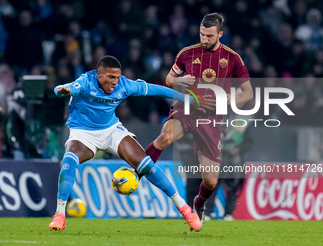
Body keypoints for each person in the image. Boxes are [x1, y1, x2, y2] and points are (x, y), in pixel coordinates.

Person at [48, 55, 203, 231]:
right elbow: (65, 88)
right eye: (111, 77)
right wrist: (62, 89)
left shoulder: (124, 85)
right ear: (99, 74)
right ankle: (60, 215)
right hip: (82, 133)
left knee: (147, 166)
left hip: (111, 131)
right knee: (69, 162)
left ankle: (184, 209)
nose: (115, 82)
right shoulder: (85, 81)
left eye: (117, 77)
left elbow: (156, 89)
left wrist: (185, 98)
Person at [145, 13, 253, 231]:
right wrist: (179, 80)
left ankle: (199, 204)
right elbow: (168, 79)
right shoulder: (186, 54)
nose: (204, 39)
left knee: (211, 182)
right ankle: (136, 172)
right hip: (186, 108)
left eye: (209, 36)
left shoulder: (233, 58)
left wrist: (234, 100)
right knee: (165, 136)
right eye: (202, 34)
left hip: (211, 119)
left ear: (220, 34)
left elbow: (248, 93)